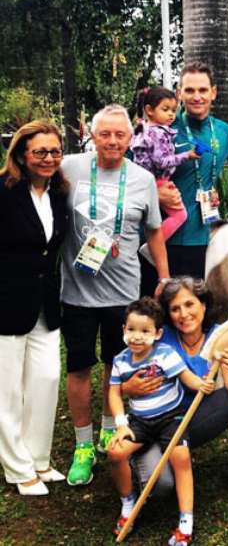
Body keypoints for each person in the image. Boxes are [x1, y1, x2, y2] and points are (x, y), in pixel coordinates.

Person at [59, 104, 170, 486]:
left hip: (123, 291)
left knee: (114, 365)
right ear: (92, 135)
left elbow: (154, 231)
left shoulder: (140, 178)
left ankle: (108, 427)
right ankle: (83, 444)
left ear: (130, 137)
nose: (112, 141)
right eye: (104, 134)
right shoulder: (69, 167)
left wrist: (164, 276)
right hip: (75, 291)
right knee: (77, 368)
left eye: (119, 135)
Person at [128, 277, 228, 493]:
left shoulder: (221, 335)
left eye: (189, 304)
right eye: (175, 308)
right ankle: (137, 459)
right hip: (155, 426)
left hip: (193, 421)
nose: (184, 314)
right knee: (162, 486)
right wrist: (127, 388)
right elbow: (128, 378)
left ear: (203, 305)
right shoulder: (158, 337)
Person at [107, 298, 215, 543]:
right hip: (139, 421)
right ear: (123, 329)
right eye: (131, 329)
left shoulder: (165, 353)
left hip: (170, 418)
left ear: (157, 334)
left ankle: (186, 520)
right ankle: (128, 504)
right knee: (115, 453)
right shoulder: (121, 361)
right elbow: (114, 392)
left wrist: (202, 383)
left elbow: (187, 377)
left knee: (181, 458)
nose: (137, 336)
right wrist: (121, 424)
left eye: (145, 331)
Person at [0, 121, 69, 495]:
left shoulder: (58, 194)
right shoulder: (4, 191)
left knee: (45, 380)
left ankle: (39, 460)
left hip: (45, 303)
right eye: (40, 152)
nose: (48, 158)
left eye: (55, 151)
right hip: (7, 303)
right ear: (22, 155)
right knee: (7, 391)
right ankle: (17, 468)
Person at [147, 61, 228, 282]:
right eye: (189, 90)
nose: (196, 97)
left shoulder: (222, 130)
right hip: (166, 239)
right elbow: (133, 169)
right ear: (179, 93)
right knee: (163, 309)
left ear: (213, 92)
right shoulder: (164, 128)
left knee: (198, 309)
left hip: (207, 237)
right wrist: (154, 193)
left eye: (202, 90)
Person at [130, 86, 199, 264]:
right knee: (180, 215)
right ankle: (153, 246)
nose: (171, 115)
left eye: (173, 110)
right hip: (157, 181)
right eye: (165, 109)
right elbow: (162, 161)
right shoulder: (158, 133)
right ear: (149, 110)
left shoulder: (142, 129)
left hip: (149, 181)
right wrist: (186, 155)